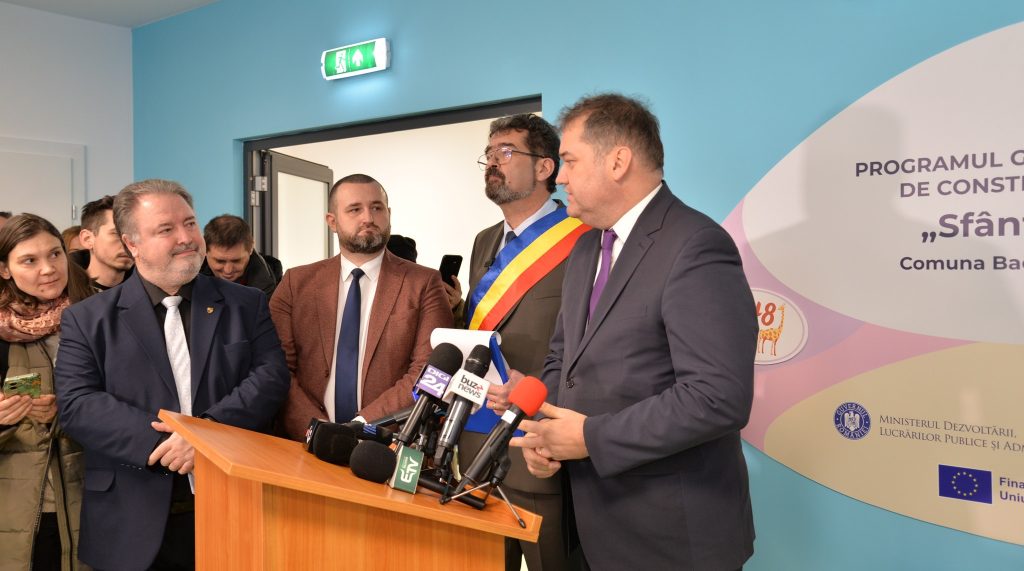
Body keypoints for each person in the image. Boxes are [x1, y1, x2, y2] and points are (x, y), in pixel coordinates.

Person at [510, 94, 758, 570]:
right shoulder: (586, 249)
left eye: (570, 161)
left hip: (671, 539)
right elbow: (564, 360)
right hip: (590, 525)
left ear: (618, 161)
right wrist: (547, 435)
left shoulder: (696, 244)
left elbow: (718, 396)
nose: (559, 177)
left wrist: (591, 438)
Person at [55, 179, 290, 571]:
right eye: (166, 229)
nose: (186, 238)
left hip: (235, 505)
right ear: (132, 243)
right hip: (130, 516)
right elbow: (79, 405)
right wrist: (168, 444)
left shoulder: (246, 303)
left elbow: (271, 376)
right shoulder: (88, 319)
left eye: (190, 223)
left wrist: (205, 437)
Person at [451, 113, 586, 571]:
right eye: (489, 154)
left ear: (545, 167)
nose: (493, 162)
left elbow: (586, 346)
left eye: (506, 152)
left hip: (538, 442)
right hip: (475, 440)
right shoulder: (485, 240)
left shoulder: (583, 238)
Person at [270, 174, 453, 439]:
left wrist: (361, 426)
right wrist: (316, 430)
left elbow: (430, 372)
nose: (368, 217)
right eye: (355, 209)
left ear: (389, 214)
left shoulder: (424, 283)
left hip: (386, 444)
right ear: (332, 221)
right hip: (304, 443)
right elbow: (276, 367)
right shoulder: (295, 283)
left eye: (377, 208)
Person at [0, 214, 93, 570]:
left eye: (55, 254)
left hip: (91, 491)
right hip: (19, 504)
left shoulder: (98, 315)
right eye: (29, 260)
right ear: (5, 270)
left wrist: (73, 408)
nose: (48, 269)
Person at [199, 214, 278, 296]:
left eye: (236, 261)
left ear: (251, 248)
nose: (228, 270)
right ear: (204, 249)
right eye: (220, 261)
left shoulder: (267, 290)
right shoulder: (190, 276)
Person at [76, 195, 134, 291]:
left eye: (134, 235)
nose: (128, 243)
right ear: (87, 239)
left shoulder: (147, 291)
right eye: (116, 233)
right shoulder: (66, 295)